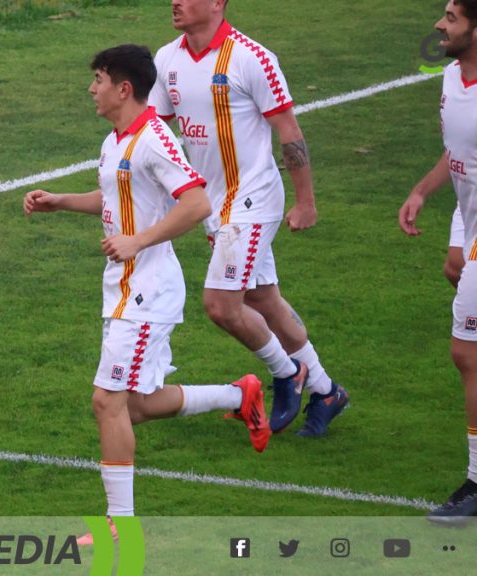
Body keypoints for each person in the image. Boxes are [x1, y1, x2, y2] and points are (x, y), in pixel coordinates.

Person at [24, 44, 269, 542]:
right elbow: (117, 196)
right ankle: (239, 395)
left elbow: (197, 203)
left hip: (148, 292)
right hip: (122, 289)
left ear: (123, 88)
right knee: (132, 405)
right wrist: (61, 202)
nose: (91, 89)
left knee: (106, 401)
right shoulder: (117, 140)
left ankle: (120, 526)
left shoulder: (154, 139)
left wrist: (139, 240)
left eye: (97, 79)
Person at [147, 0, 348, 437]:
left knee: (221, 306)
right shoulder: (167, 59)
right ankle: (327, 391)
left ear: (217, 3)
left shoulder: (252, 58)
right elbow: (158, 136)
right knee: (263, 300)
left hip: (252, 199)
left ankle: (285, 372)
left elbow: (289, 130)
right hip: (212, 205)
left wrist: (306, 202)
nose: (175, 2)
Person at [398, 0, 477, 525]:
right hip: (470, 225)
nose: (439, 25)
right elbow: (456, 152)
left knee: (466, 353)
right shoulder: (450, 78)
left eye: (450, 17)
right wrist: (424, 191)